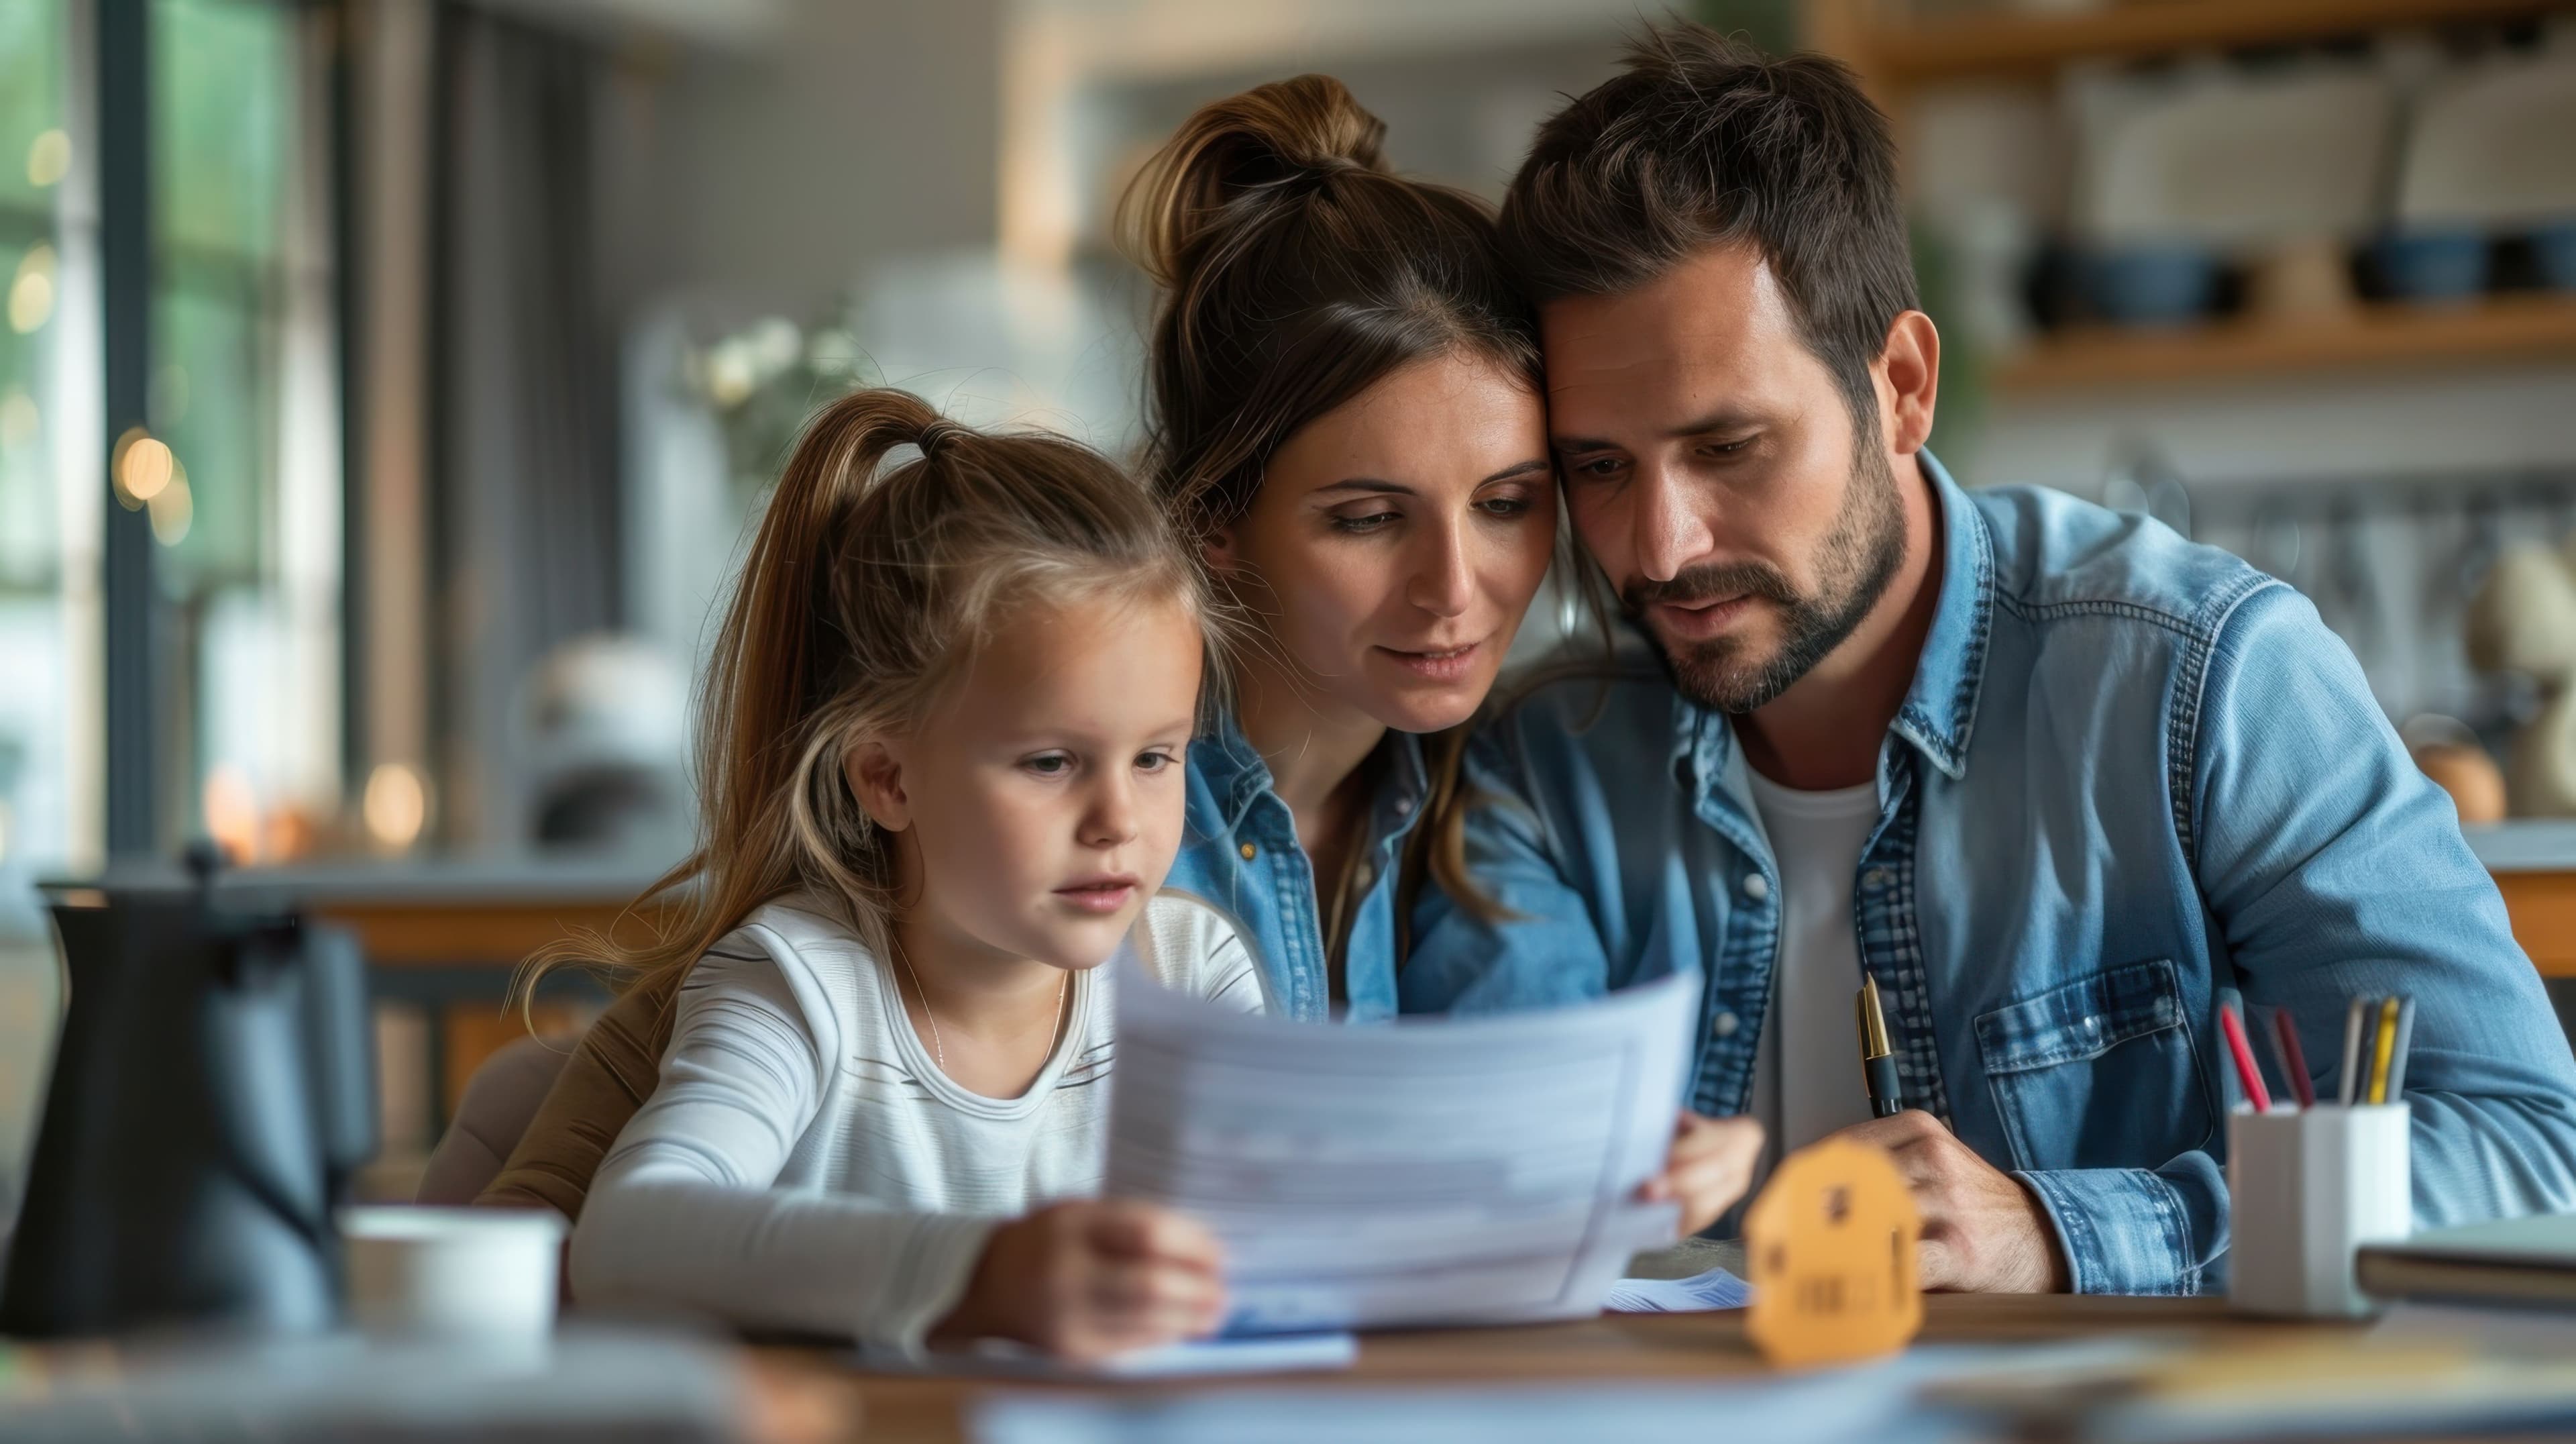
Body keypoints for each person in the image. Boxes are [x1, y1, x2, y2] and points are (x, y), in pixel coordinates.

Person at [478, 76, 1762, 1243]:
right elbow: (556, 1212)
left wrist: (1632, 1177)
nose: (1457, 589)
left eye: (1507, 501)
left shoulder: (1493, 800)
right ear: (1221, 530)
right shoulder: (1051, 830)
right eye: (1367, 519)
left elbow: (1488, 1177)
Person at [1405, 21, 2576, 1296]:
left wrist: (2056, 1229)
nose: (1660, 546)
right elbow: (1493, 1209)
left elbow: (2528, 1151)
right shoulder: (1547, 765)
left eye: (1730, 446)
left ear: (1903, 385)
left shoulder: (2206, 681)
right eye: (1598, 467)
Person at [562, 389, 1252, 1357]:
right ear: (888, 776)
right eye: (1051, 763)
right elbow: (625, 1242)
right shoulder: (799, 981)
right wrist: (979, 1277)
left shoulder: (1196, 969)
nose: (1119, 822)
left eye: (1155, 757)